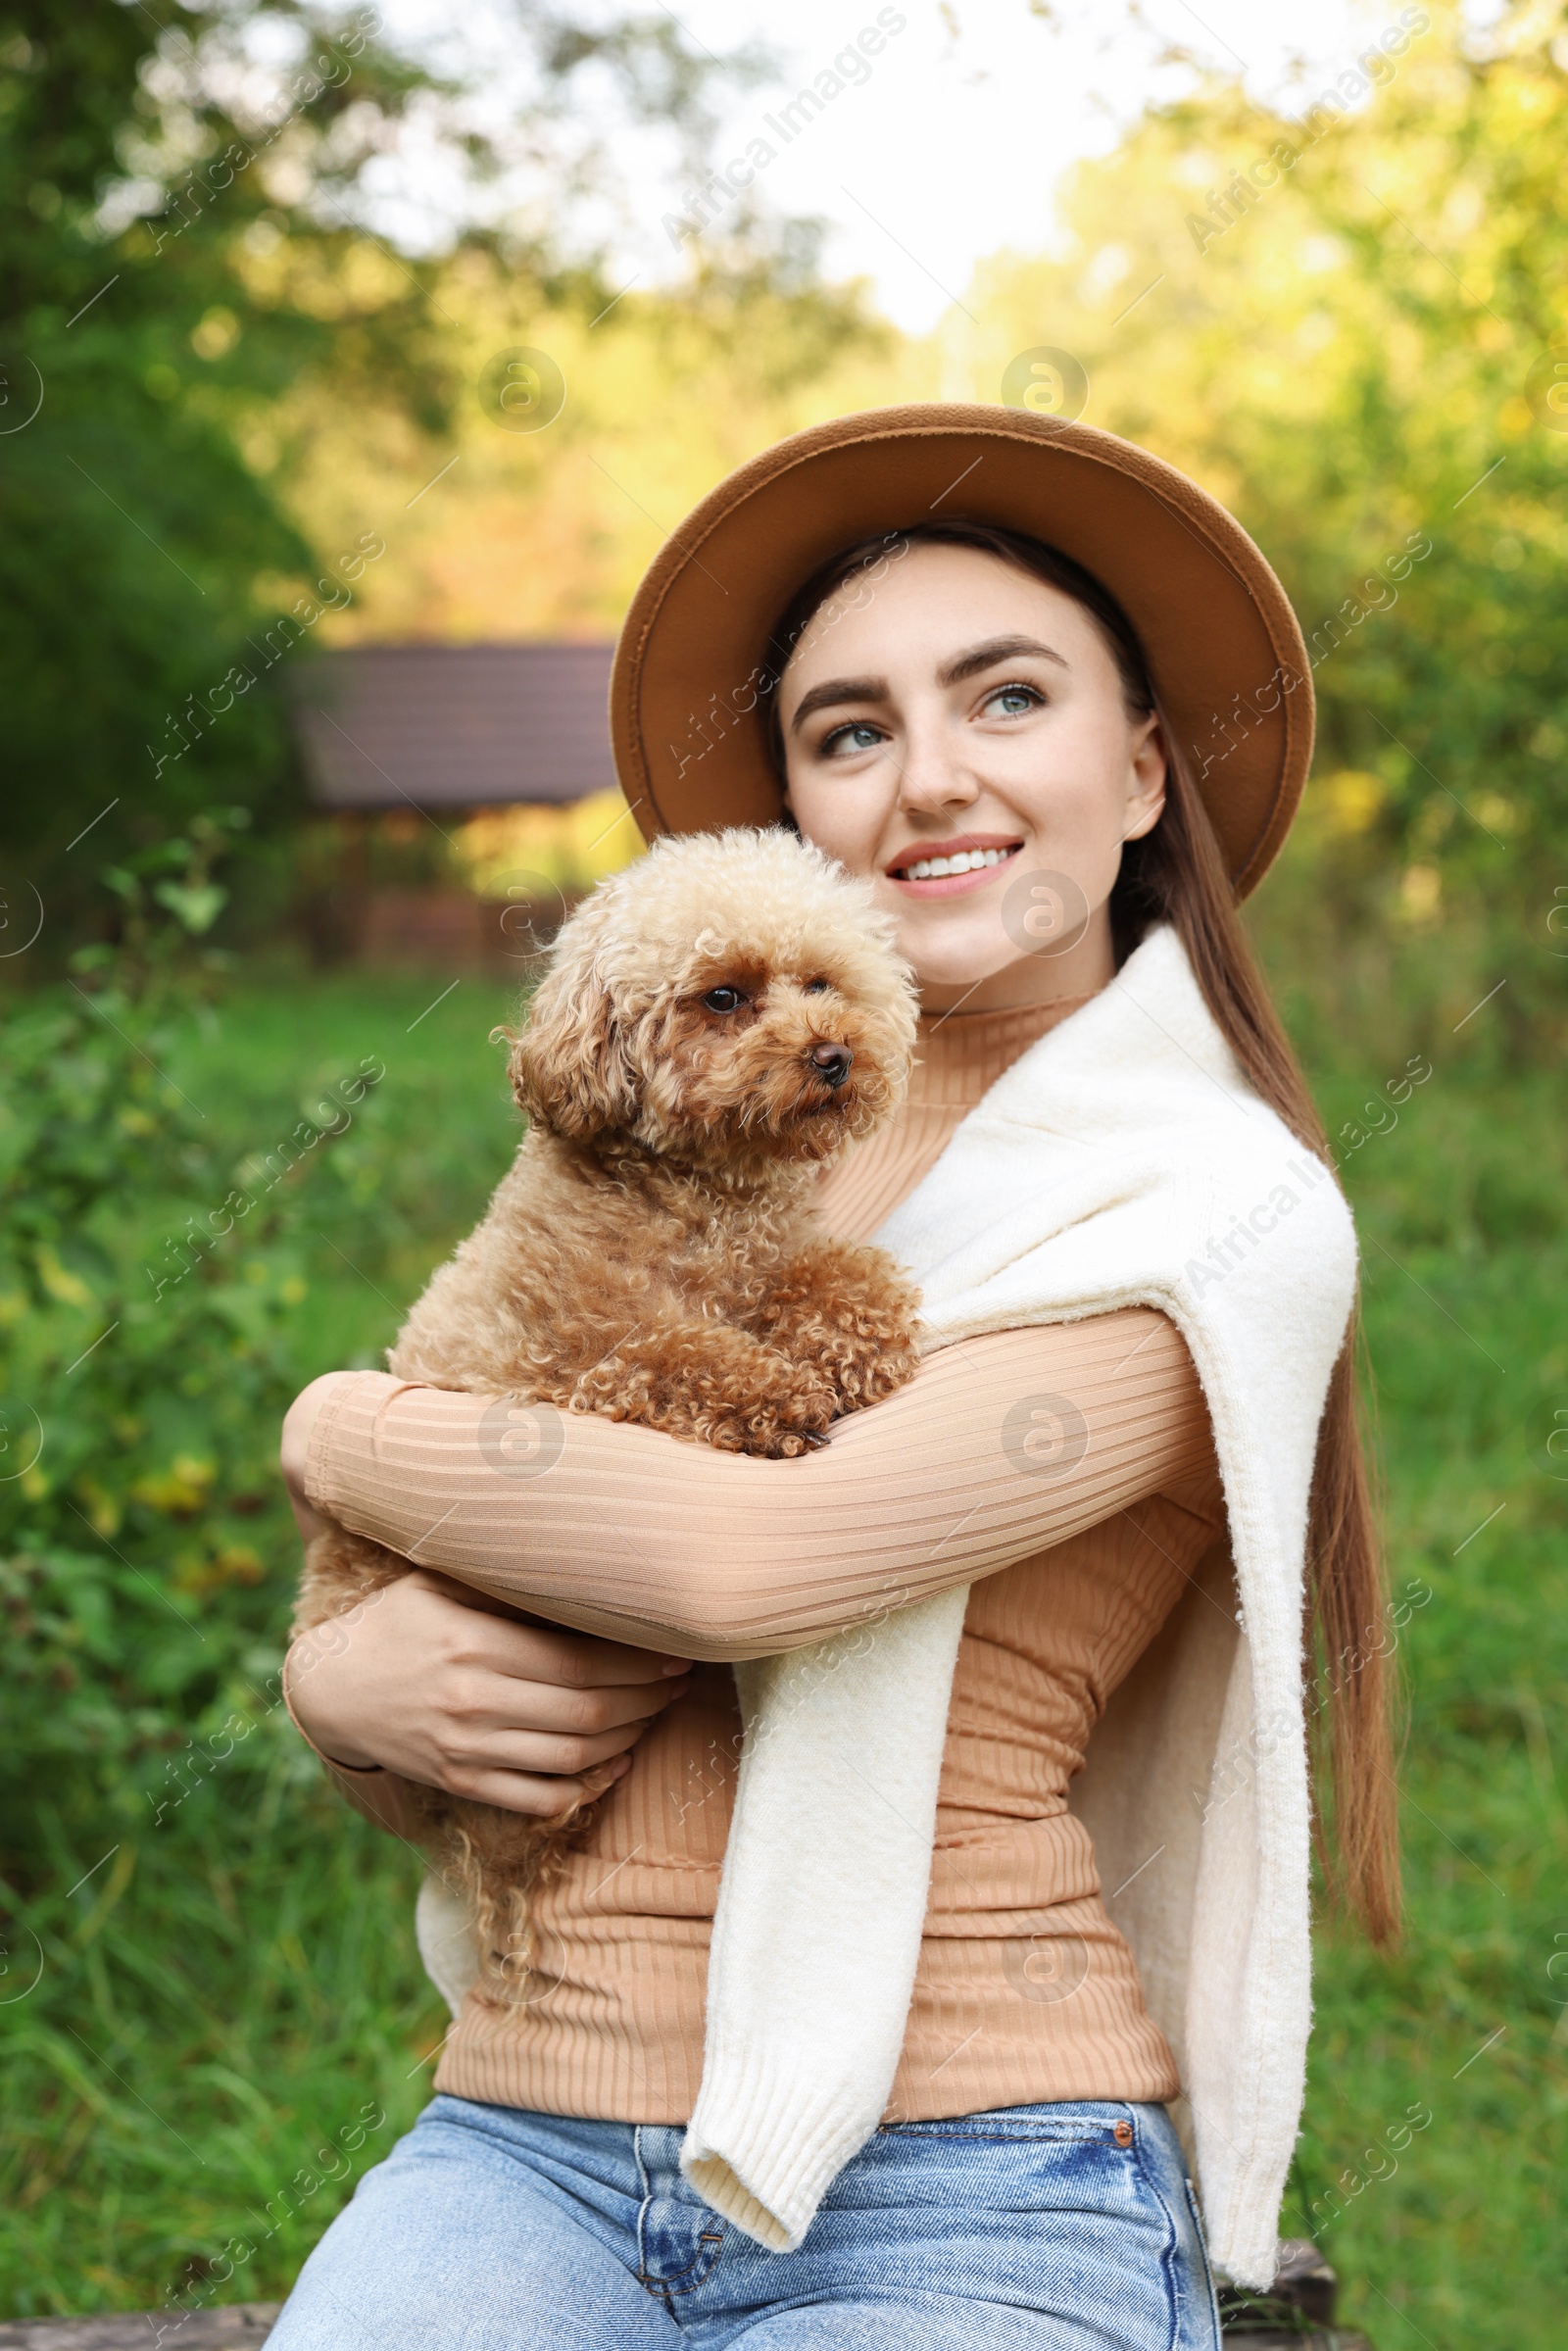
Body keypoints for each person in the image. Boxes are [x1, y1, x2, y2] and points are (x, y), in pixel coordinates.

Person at [270, 406, 1396, 2349]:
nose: (925, 778)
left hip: (974, 2165)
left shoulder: (1214, 1208)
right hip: (523, 2137)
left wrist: (334, 1430)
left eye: (1005, 698)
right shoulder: (702, 1153)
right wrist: (345, 1694)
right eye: (848, 731)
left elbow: (742, 1572)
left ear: (1139, 772)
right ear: (795, 813)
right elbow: (520, 1639)